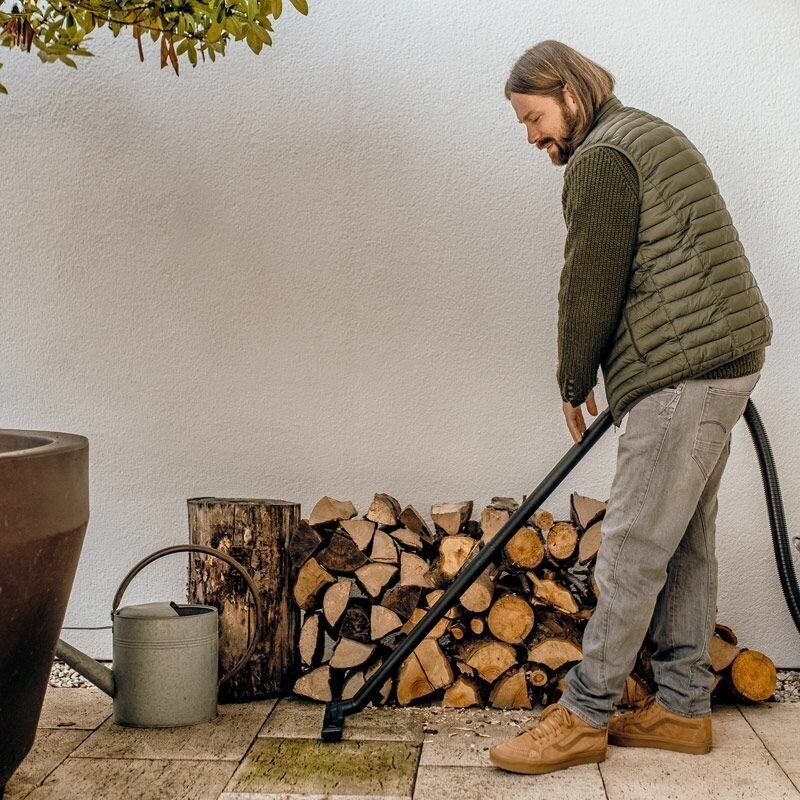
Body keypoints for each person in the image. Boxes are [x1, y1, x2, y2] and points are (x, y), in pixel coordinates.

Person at [488, 40, 773, 776]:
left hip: (684, 372)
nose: (532, 137)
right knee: (683, 544)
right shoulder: (646, 132)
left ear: (567, 92)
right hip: (721, 362)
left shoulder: (603, 158)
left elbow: (590, 276)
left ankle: (582, 716)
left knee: (633, 548)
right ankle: (681, 706)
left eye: (533, 117)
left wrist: (572, 376)